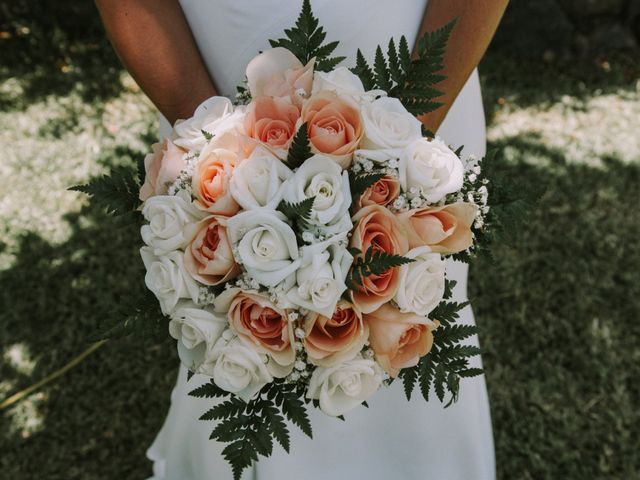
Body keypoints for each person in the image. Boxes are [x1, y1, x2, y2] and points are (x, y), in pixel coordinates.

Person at [95, 1, 508, 479]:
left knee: (411, 306)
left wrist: (398, 154)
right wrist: (217, 145)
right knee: (236, 329)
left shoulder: (408, 143)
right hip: (213, 64)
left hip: (420, 74)